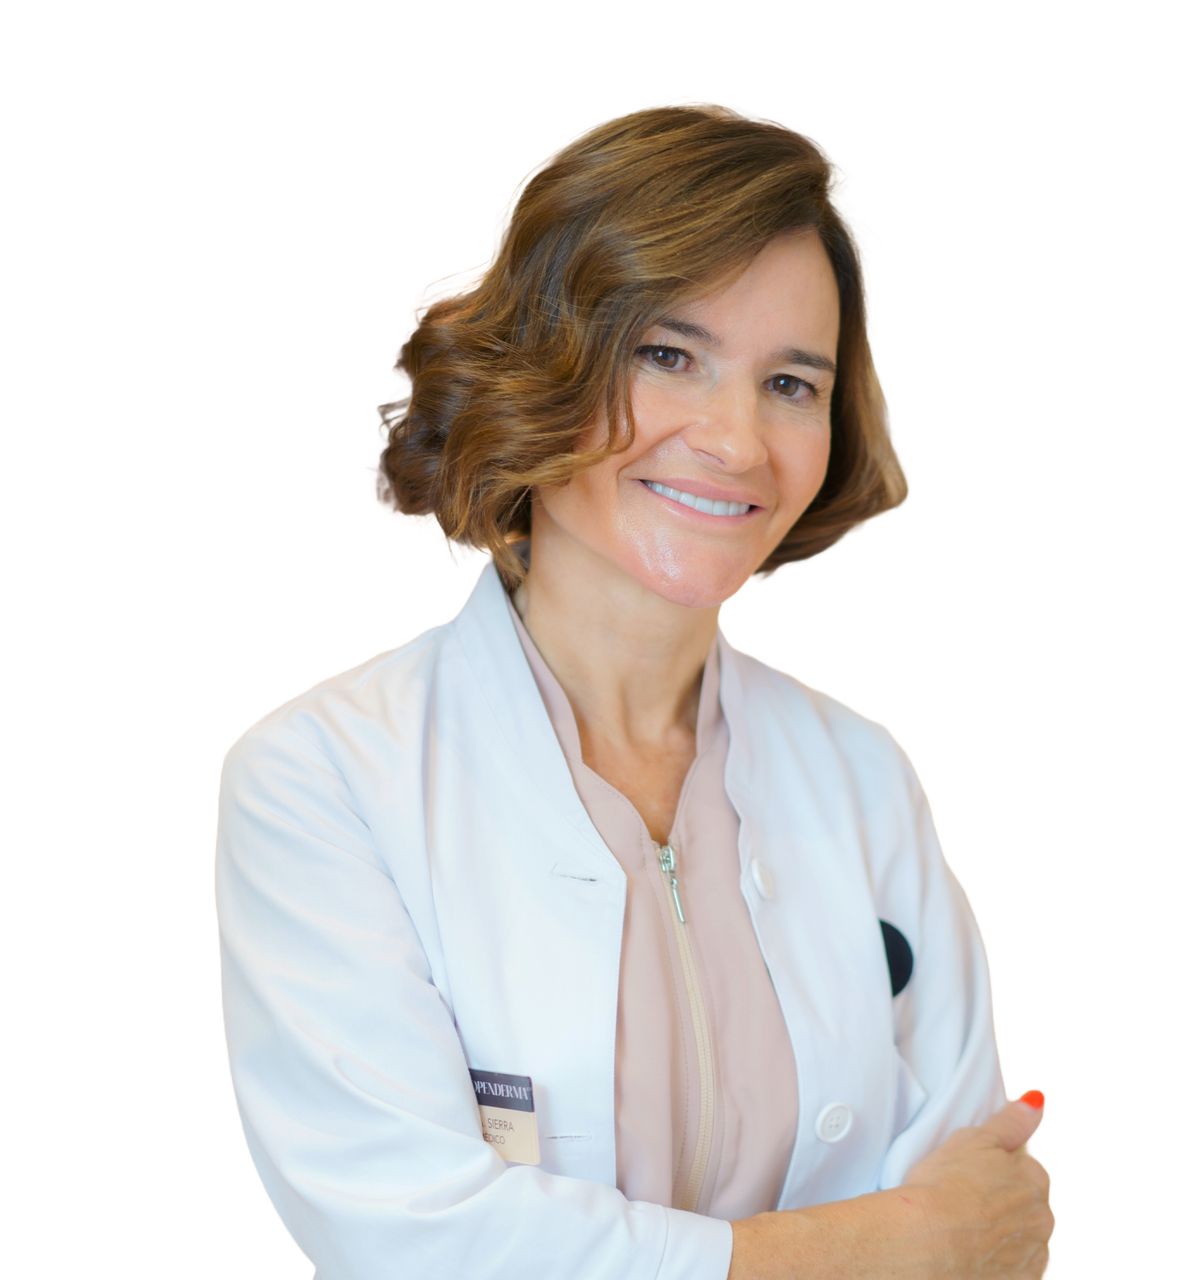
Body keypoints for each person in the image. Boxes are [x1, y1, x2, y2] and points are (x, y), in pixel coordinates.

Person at [215, 103, 1053, 1279]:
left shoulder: (859, 778)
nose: (736, 439)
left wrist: (928, 1242)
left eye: (789, 381)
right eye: (668, 355)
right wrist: (892, 1243)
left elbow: (976, 1220)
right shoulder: (327, 780)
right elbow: (417, 1239)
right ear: (539, 369)